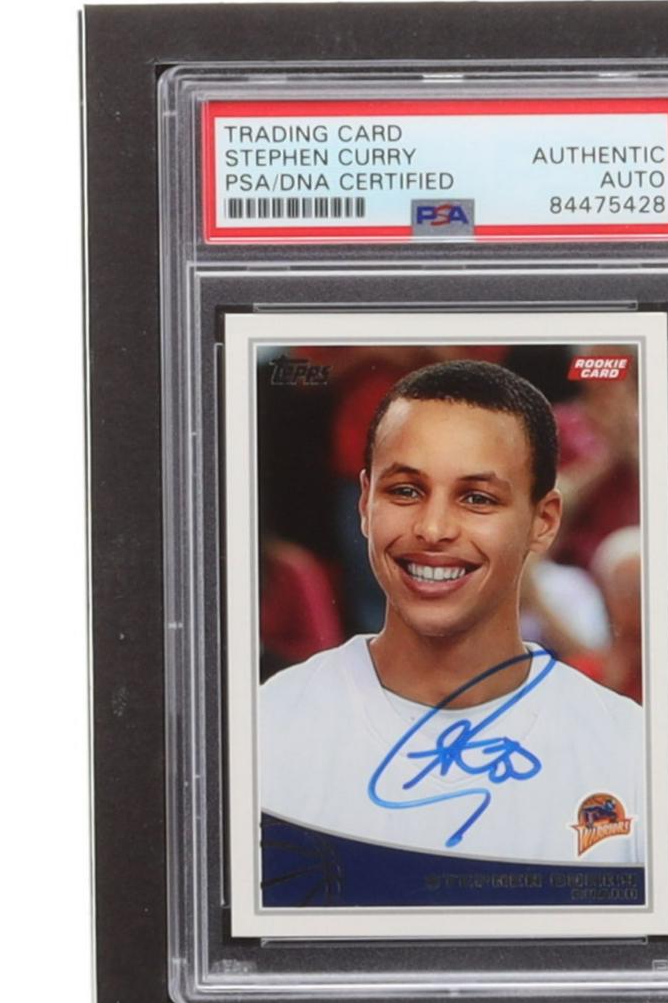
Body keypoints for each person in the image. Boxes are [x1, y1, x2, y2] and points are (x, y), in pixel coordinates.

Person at [259, 360, 645, 875]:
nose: (434, 528)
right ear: (365, 504)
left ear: (543, 521)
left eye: (477, 498)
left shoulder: (630, 751)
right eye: (405, 491)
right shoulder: (265, 730)